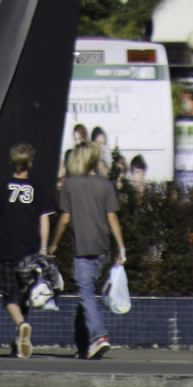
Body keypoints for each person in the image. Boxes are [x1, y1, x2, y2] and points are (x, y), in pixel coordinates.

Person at [50, 142, 126, 360]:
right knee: (86, 295)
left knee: (85, 293)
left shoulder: (70, 185)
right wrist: (121, 247)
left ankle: (99, 336)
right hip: (102, 248)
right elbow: (112, 218)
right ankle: (82, 345)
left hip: (82, 248)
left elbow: (64, 219)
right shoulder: (105, 185)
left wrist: (54, 243)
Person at [0, 143, 53, 360]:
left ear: (11, 163)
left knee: (9, 298)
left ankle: (21, 326)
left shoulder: (1, 188)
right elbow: (44, 220)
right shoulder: (38, 189)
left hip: (9, 250)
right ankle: (19, 340)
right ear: (30, 163)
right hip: (30, 251)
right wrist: (44, 249)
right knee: (23, 297)